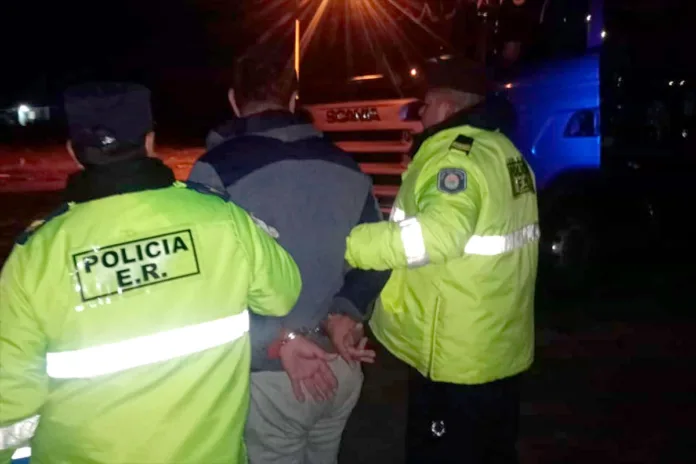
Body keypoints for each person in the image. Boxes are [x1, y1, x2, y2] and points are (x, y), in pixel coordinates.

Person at [0, 82, 302, 464]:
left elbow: (10, 398)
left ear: (73, 152)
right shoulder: (222, 220)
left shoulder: (36, 254)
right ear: (150, 141)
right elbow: (282, 295)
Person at [188, 50, 390, 463]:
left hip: (272, 375)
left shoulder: (214, 171)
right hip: (339, 362)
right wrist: (345, 311)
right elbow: (376, 256)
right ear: (294, 98)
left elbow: (204, 281)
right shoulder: (348, 166)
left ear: (234, 100)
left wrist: (278, 341)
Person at [344, 55, 539, 463]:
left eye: (426, 105)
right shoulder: (504, 152)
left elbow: (439, 235)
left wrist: (351, 243)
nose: (420, 116)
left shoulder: (455, 157)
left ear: (447, 108)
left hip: (456, 356)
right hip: (497, 347)